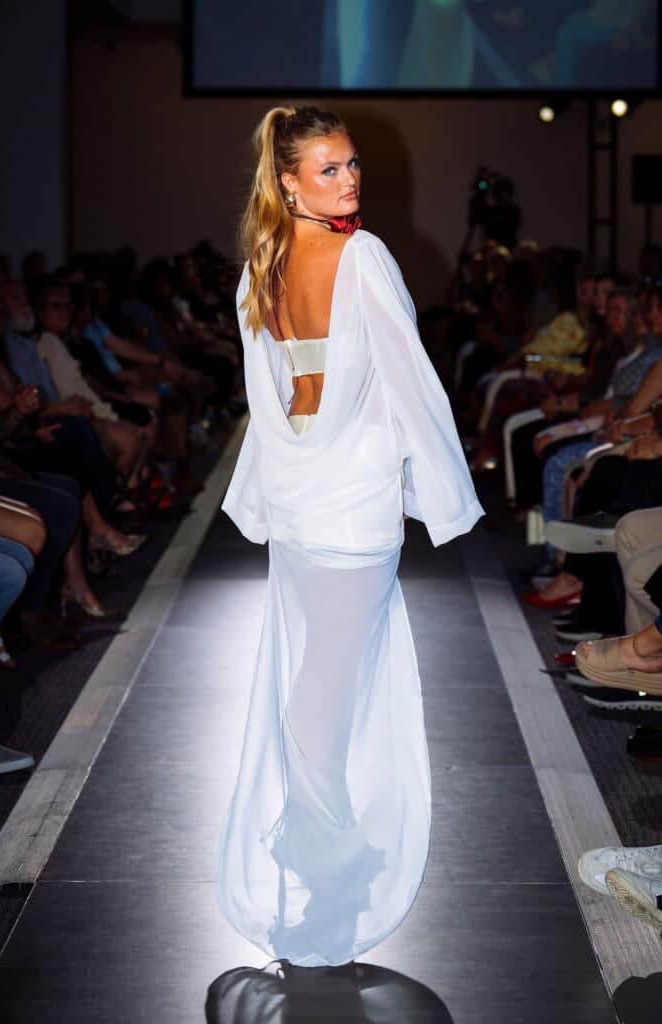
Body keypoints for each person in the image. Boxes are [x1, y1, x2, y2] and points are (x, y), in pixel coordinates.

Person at [216, 105, 484, 968]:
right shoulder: (359, 256)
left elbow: (274, 397)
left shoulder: (261, 264)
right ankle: (331, 867)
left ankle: (318, 854)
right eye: (328, 170)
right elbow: (410, 382)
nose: (349, 180)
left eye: (352, 165)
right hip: (349, 505)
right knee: (324, 696)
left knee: (313, 682)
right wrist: (444, 497)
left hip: (299, 495)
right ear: (287, 180)